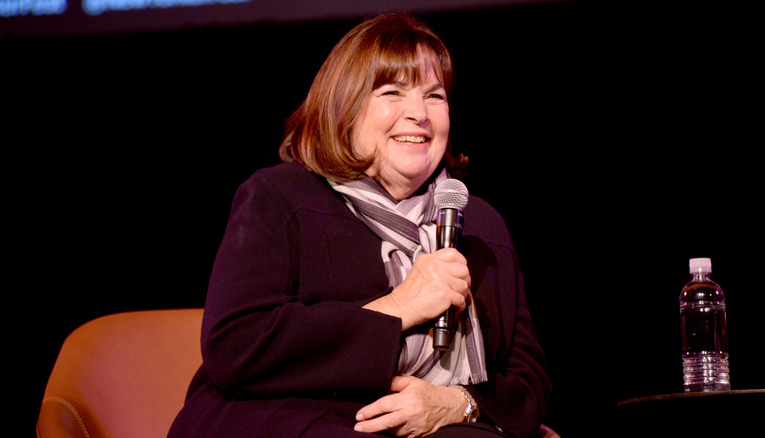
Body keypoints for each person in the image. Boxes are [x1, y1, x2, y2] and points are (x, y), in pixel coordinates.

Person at [168, 13, 551, 438]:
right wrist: (400, 306)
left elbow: (528, 380)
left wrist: (456, 403)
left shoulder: (479, 224)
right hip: (293, 418)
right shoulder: (281, 197)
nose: (419, 114)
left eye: (435, 96)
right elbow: (236, 346)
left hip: (437, 426)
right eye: (392, 92)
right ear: (345, 108)